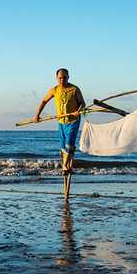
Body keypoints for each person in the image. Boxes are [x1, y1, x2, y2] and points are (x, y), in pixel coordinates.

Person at [33, 68, 86, 197]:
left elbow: (83, 104)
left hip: (73, 121)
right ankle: (67, 167)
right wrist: (37, 115)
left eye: (65, 77)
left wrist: (78, 110)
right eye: (60, 78)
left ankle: (65, 167)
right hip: (61, 122)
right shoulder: (54, 90)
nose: (62, 80)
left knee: (69, 145)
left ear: (68, 77)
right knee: (63, 149)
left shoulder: (74, 89)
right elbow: (44, 101)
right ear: (57, 78)